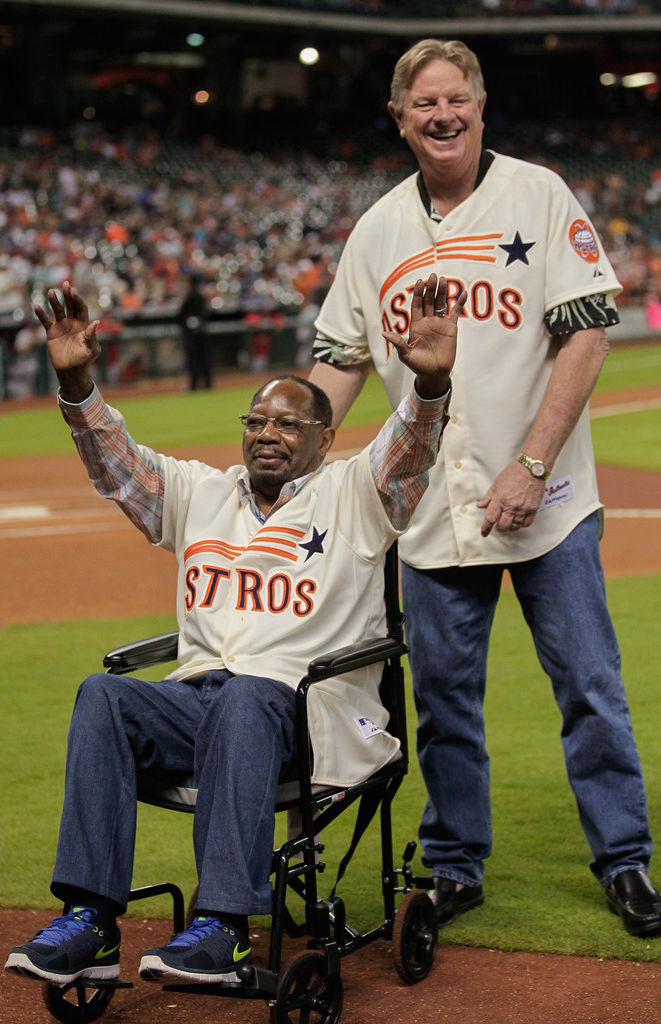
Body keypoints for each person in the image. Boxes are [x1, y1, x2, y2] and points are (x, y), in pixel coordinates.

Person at [5, 273, 465, 987]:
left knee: (249, 694)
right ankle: (91, 922)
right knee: (103, 694)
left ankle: (224, 927)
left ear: (326, 437)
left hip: (304, 714)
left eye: (287, 424)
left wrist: (429, 390)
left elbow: (410, 450)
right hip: (202, 706)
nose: (267, 435)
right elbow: (117, 466)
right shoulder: (198, 493)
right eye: (256, 422)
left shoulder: (356, 493)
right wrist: (77, 387)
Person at [309, 37, 661, 938]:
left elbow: (587, 336)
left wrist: (532, 461)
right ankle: (456, 862)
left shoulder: (537, 195)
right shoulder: (378, 228)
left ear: (479, 103)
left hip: (546, 502)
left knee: (588, 685)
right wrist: (290, 452)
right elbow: (340, 360)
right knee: (443, 705)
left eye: (455, 98)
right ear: (399, 119)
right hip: (431, 510)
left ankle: (623, 860)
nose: (441, 115)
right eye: (422, 103)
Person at [179, 274, 212, 390]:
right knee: (204, 358)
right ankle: (208, 383)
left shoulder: (188, 296)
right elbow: (207, 313)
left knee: (193, 359)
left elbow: (181, 314)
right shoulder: (202, 296)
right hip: (202, 330)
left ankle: (194, 384)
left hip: (191, 331)